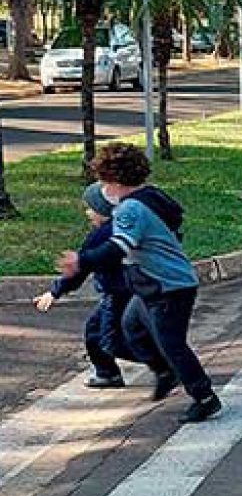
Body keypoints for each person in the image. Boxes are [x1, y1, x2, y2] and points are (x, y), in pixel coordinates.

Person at [57, 143, 221, 423]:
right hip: (151, 286)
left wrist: (81, 261)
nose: (102, 188)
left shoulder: (130, 210)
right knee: (132, 328)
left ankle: (204, 397)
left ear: (115, 182)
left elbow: (117, 247)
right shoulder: (149, 196)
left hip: (169, 286)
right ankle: (166, 372)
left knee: (172, 344)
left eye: (103, 182)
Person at [34, 182, 135, 388]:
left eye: (91, 208)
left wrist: (55, 292)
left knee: (111, 340)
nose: (87, 212)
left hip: (117, 292)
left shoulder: (101, 235)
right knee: (95, 331)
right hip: (124, 290)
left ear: (102, 211)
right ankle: (107, 373)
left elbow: (79, 269)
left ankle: (164, 362)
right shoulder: (121, 226)